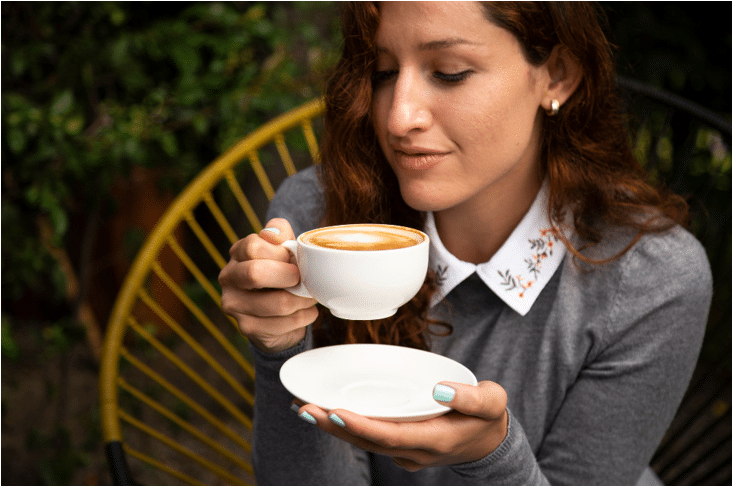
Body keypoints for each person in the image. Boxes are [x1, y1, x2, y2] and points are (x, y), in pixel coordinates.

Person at [218, 2, 712, 485]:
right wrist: (280, 347)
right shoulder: (319, 224)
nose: (398, 118)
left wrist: (492, 459)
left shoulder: (650, 277)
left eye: (450, 72)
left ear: (557, 75)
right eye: (384, 71)